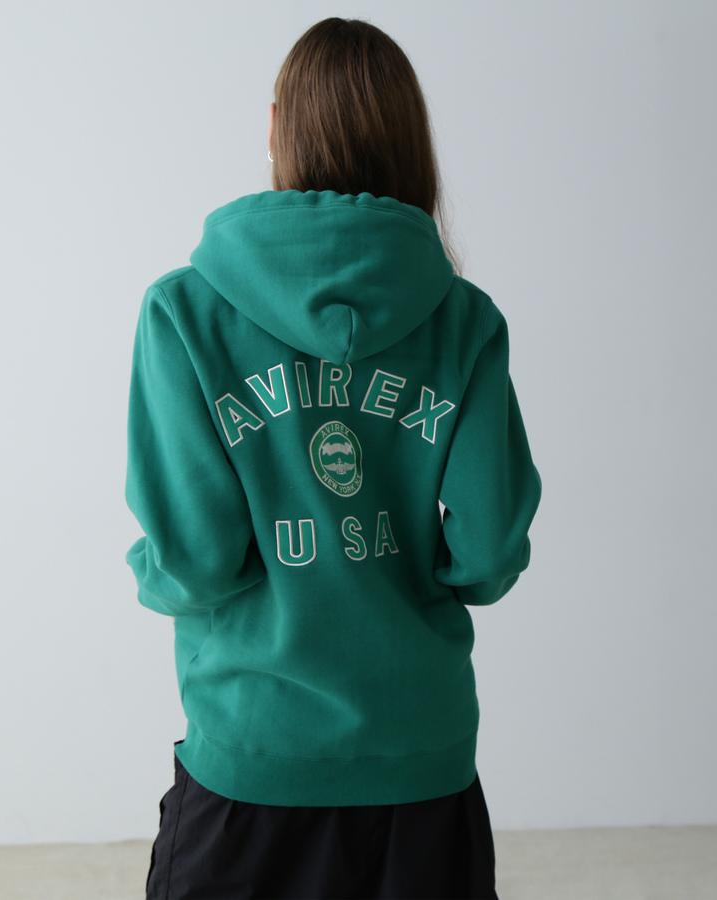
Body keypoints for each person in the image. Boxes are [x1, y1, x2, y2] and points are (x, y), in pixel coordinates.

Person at [124, 16, 541, 900]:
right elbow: (491, 552)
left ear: (277, 126)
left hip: (253, 759)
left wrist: (146, 568)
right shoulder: (465, 321)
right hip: (420, 765)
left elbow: (193, 561)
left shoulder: (184, 313)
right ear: (412, 141)